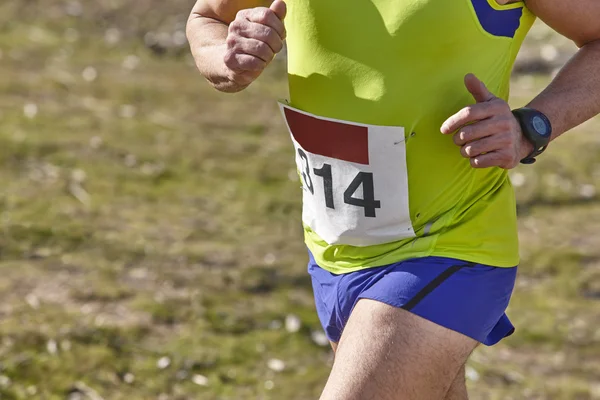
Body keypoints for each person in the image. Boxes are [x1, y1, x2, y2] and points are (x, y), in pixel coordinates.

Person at [186, 0, 600, 398]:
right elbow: (206, 17)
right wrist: (227, 58)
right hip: (334, 247)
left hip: (448, 245)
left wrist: (530, 127)